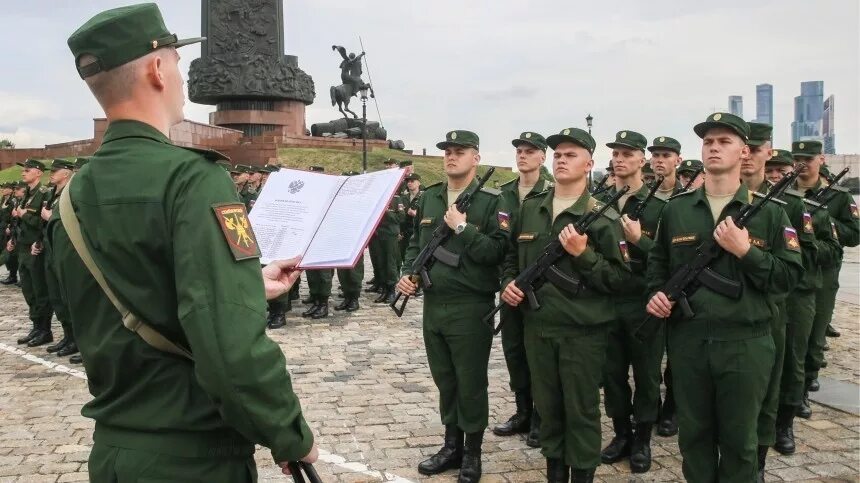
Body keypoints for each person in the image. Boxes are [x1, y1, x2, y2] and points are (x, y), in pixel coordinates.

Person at [56, 4, 317, 479]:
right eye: (176, 59)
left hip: (114, 451)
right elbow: (232, 348)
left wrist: (244, 285)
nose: (179, 73)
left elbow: (115, 299)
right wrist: (288, 431)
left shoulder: (73, 195)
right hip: (193, 458)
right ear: (157, 68)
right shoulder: (194, 179)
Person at [646, 112, 802, 482]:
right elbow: (657, 267)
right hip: (689, 342)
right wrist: (656, 295)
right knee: (694, 438)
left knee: (740, 441)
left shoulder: (772, 214)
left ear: (744, 151)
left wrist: (747, 251)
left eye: (724, 141)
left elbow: (788, 279)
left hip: (745, 343)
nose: (714, 148)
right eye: (708, 142)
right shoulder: (678, 209)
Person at [502, 127, 630, 482]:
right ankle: (555, 474)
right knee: (549, 410)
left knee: (582, 412)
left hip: (582, 334)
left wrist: (583, 255)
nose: (561, 160)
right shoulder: (531, 209)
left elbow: (619, 280)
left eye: (571, 154)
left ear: (589, 163)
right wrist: (508, 284)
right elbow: (512, 258)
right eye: (557, 154)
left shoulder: (603, 218)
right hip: (538, 328)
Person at [396, 130, 507, 483]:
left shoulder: (491, 201)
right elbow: (417, 243)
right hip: (434, 305)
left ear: (476, 158)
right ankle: (451, 445)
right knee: (445, 379)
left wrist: (463, 230)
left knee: (470, 381)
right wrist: (408, 274)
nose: (451, 157)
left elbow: (496, 252)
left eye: (460, 152)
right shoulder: (432, 197)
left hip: (471, 306)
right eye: (447, 151)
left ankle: (472, 453)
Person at [766, 148, 840, 462]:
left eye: (780, 170)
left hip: (798, 292)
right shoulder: (756, 205)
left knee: (793, 360)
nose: (774, 176)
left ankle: (785, 423)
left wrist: (797, 248)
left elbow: (831, 249)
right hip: (766, 291)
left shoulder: (804, 208)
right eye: (770, 170)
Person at [598, 130, 666, 474]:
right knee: (611, 374)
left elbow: (671, 260)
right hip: (608, 300)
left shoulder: (661, 205)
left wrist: (640, 241)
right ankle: (621, 433)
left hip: (643, 301)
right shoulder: (599, 201)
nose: (620, 159)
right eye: (616, 154)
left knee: (646, 375)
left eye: (628, 153)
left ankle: (642, 439)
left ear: (643, 160)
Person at [492, 131, 554, 447]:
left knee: (538, 354)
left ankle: (543, 416)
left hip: (541, 288)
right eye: (519, 151)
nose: (523, 156)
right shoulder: (502, 195)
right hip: (510, 283)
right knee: (514, 349)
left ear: (543, 157)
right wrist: (505, 282)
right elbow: (501, 245)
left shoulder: (552, 193)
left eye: (530, 151)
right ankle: (523, 411)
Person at [791, 140, 859, 418]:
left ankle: (806, 383)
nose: (802, 163)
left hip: (824, 270)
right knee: (792, 334)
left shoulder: (839, 196)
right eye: (798, 158)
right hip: (792, 269)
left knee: (816, 330)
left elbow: (854, 235)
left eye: (808, 158)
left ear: (821, 159)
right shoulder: (785, 191)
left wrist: (826, 223)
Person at [11, 159, 54, 348]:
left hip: (35, 248)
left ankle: (45, 330)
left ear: (38, 173)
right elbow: (19, 223)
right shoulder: (25, 195)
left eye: (27, 170)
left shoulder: (44, 194)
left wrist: (23, 215)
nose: (23, 173)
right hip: (22, 246)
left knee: (39, 290)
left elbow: (42, 223)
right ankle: (36, 326)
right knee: (28, 290)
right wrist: (13, 238)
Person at [40, 159, 79, 359]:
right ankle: (68, 336)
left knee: (70, 297)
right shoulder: (53, 195)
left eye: (56, 171)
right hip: (51, 250)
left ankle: (78, 340)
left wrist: (50, 216)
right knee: (57, 297)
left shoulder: (71, 192)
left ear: (67, 173)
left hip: (67, 252)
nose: (52, 174)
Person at [301, 166, 336, 318]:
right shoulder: (308, 195)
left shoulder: (332, 195)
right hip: (310, 238)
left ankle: (323, 304)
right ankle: (315, 300)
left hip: (325, 239)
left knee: (323, 273)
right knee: (311, 272)